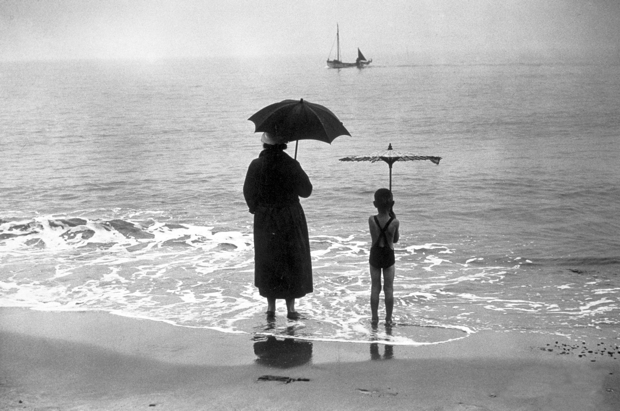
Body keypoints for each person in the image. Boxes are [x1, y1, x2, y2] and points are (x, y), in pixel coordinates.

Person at [243, 132, 313, 320]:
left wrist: (256, 209)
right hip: (290, 216)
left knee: (268, 259)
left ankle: (270, 308)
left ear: (265, 144)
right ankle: (291, 309)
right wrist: (295, 171)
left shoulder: (256, 165)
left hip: (265, 217)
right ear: (283, 144)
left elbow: (248, 191)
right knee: (291, 260)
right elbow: (306, 191)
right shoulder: (292, 164)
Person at [368, 188, 400, 325]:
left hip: (375, 253)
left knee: (375, 287)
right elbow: (395, 240)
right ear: (392, 204)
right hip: (388, 254)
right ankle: (388, 319)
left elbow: (374, 234)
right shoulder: (395, 222)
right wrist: (393, 215)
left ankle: (374, 317)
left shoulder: (371, 220)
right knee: (388, 288)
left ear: (375, 204)